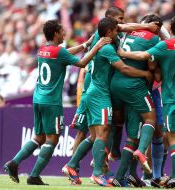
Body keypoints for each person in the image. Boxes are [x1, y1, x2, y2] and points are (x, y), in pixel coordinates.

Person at [3, 19, 110, 185]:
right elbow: (81, 63)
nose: (64, 34)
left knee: (38, 136)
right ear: (55, 34)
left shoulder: (43, 50)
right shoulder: (59, 53)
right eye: (62, 31)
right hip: (51, 102)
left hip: (38, 98)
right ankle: (33, 176)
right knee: (52, 139)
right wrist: (96, 46)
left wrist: (84, 45)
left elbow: (64, 53)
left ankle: (14, 163)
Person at [63, 5, 159, 185]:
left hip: (92, 91)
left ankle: (72, 164)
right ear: (109, 27)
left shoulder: (104, 38)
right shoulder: (106, 45)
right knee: (102, 133)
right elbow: (122, 67)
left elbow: (124, 29)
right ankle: (98, 172)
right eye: (119, 22)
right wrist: (145, 74)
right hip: (100, 93)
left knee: (94, 135)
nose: (121, 27)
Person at [118, 13, 175, 189]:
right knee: (173, 138)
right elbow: (157, 69)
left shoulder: (163, 45)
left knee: (165, 136)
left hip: (169, 97)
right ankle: (171, 177)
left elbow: (146, 58)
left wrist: (122, 53)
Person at [110, 14, 162, 187]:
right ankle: (141, 152)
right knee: (150, 119)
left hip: (115, 83)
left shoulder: (127, 33)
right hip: (134, 86)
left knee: (132, 134)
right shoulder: (155, 39)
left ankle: (120, 176)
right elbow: (154, 68)